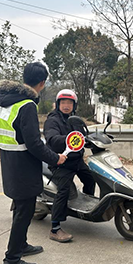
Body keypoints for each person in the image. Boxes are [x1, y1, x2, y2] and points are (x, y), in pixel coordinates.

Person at [0, 62, 67, 264]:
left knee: (20, 208)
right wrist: (56, 158)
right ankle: (12, 260)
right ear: (42, 83)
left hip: (9, 162)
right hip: (23, 166)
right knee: (24, 213)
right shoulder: (26, 105)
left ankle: (22, 245)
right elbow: (34, 144)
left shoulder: (3, 102)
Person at [43, 89, 96, 243]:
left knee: (90, 179)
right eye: (63, 102)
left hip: (76, 161)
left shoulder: (76, 120)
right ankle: (55, 228)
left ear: (74, 105)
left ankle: (86, 210)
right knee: (64, 190)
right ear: (58, 104)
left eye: (69, 103)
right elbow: (52, 138)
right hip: (60, 162)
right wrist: (69, 138)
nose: (66, 105)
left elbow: (83, 136)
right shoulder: (52, 120)